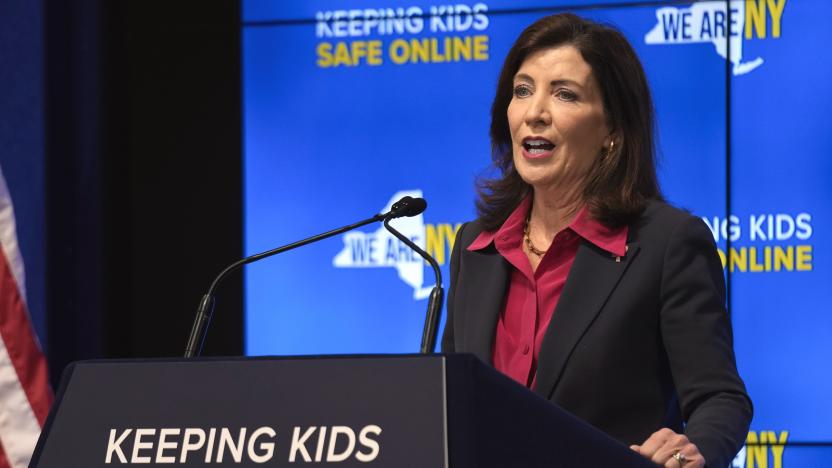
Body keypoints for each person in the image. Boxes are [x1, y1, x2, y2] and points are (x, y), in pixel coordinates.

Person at [441, 13, 752, 468]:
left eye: (564, 94)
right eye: (522, 90)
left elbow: (720, 398)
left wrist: (693, 447)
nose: (535, 113)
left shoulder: (667, 244)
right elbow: (448, 398)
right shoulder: (476, 247)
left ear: (612, 130)